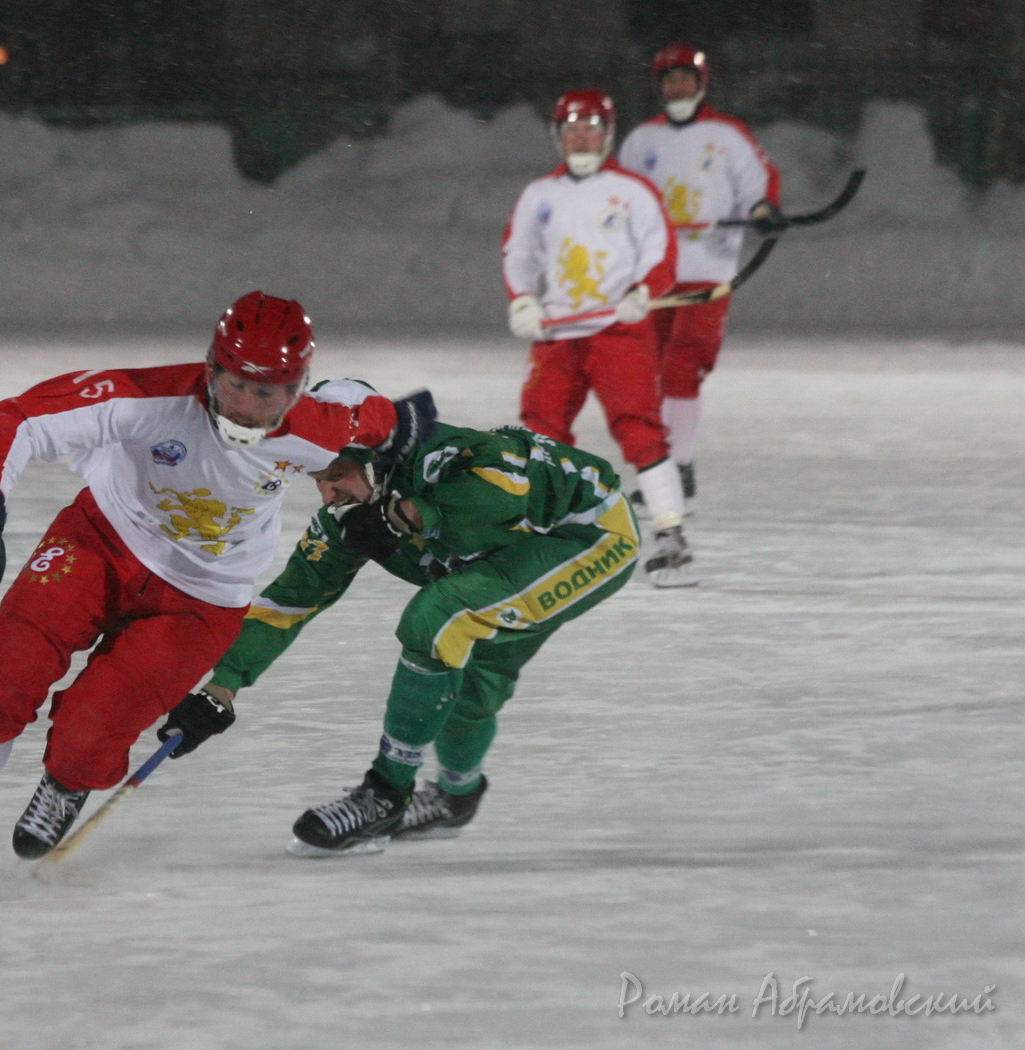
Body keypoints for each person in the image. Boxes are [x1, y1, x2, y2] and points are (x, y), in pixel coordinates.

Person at [0, 291, 434, 871]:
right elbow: (20, 417)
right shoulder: (148, 397)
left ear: (297, 388)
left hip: (204, 597)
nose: (243, 405)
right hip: (98, 542)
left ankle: (66, 784)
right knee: (4, 680)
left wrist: (380, 491)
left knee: (93, 730)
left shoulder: (324, 425)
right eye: (232, 383)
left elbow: (400, 423)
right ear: (210, 367)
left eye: (266, 394)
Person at [154, 423, 641, 854]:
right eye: (317, 481)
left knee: (438, 617)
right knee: (471, 680)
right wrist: (223, 685)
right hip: (513, 557)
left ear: (373, 460)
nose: (328, 495)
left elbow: (507, 485)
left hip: (589, 537)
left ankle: (384, 795)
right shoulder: (344, 519)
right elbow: (291, 601)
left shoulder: (437, 457)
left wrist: (409, 514)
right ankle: (456, 796)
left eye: (336, 475)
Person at [501, 88, 690, 586]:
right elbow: (518, 254)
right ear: (558, 136)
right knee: (539, 433)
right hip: (559, 334)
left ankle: (670, 533)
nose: (581, 139)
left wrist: (644, 291)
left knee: (639, 428)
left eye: (591, 130)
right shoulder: (539, 195)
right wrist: (522, 298)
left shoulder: (632, 192)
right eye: (571, 130)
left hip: (618, 331)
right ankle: (548, 532)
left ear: (608, 136)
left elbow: (660, 253)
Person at [617, 43, 784, 517]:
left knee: (682, 369)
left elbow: (758, 184)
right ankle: (659, 469)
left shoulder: (727, 135)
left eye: (685, 78)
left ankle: (677, 468)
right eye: (669, 79)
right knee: (649, 375)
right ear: (658, 86)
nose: (677, 87)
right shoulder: (640, 140)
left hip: (707, 273)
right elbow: (619, 198)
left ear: (702, 82)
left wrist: (762, 210)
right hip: (653, 275)